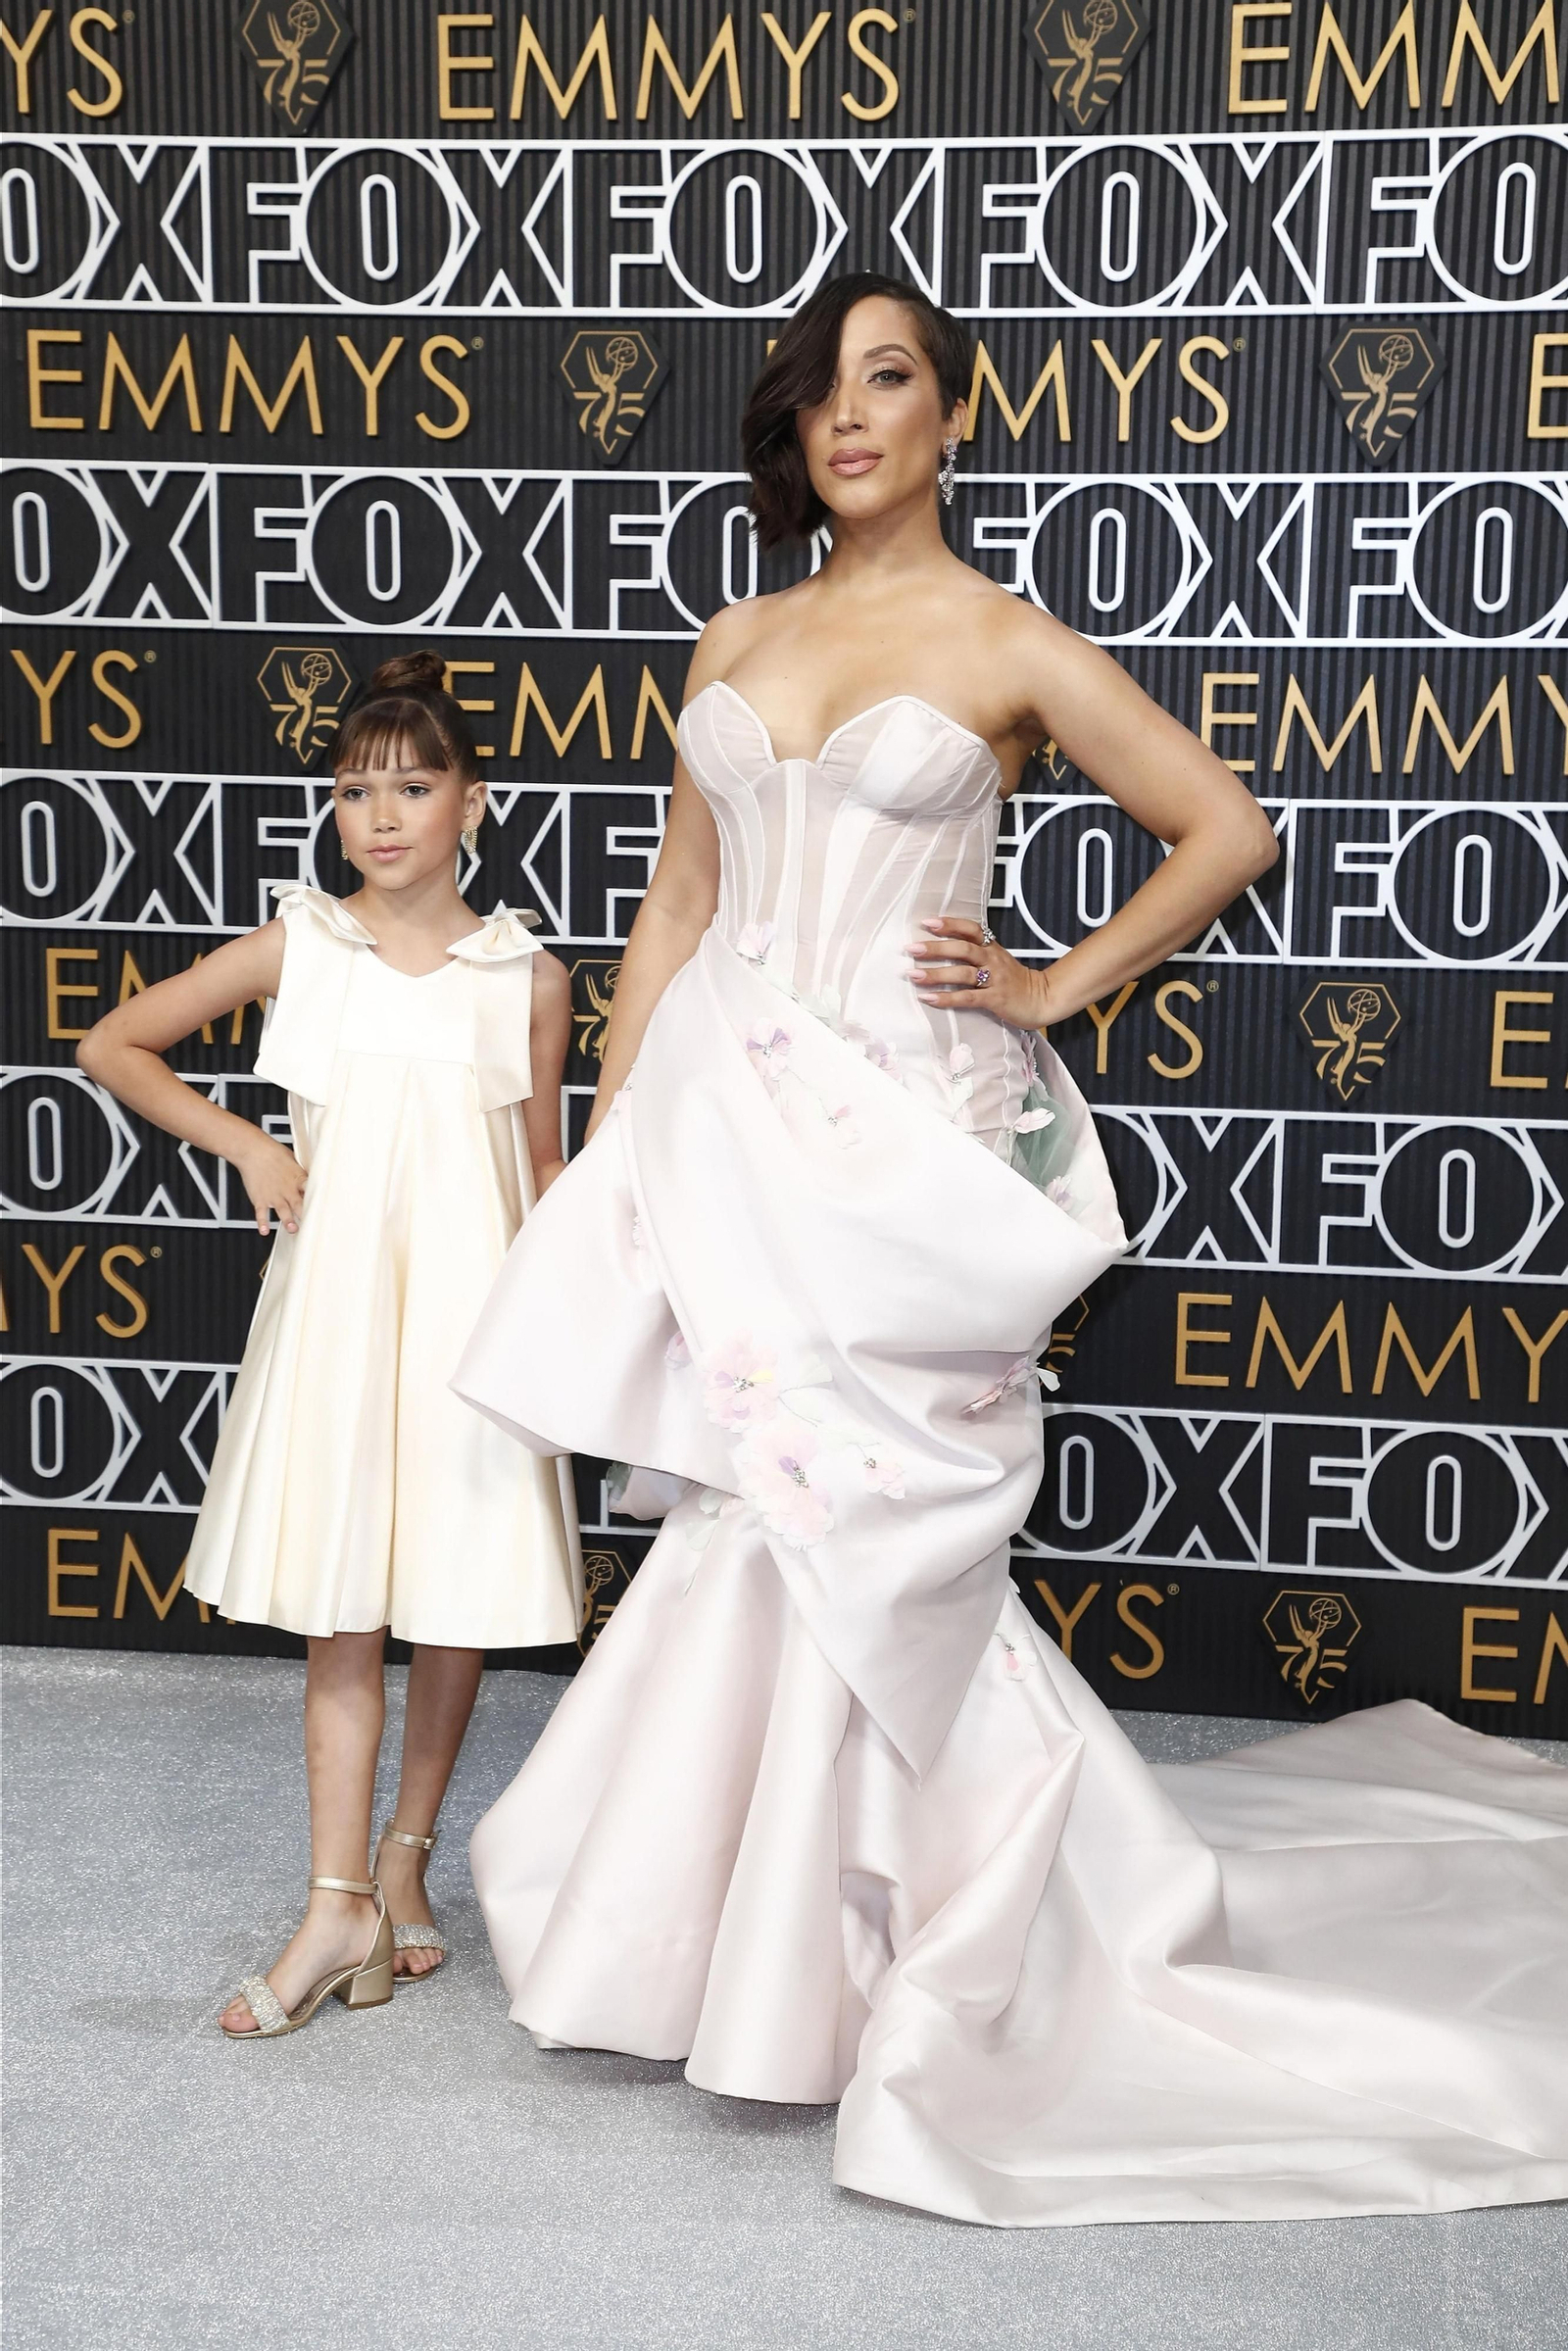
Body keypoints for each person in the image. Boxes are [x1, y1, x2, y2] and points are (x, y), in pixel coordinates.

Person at [452, 276, 1568, 2224]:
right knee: (754, 1516)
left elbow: (1221, 826)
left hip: (900, 1143)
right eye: (816, 392)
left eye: (885, 382)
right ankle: (725, 1947)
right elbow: (670, 914)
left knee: (877, 1530)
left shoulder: (1005, 641)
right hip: (725, 1125)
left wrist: (1053, 983)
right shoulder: (736, 630)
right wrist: (603, 1147)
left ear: (954, 414)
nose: (846, 419)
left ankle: (898, 1941)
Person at [77, 652, 583, 2039]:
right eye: (356, 788)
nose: (383, 814)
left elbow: (543, 1171)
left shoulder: (528, 979)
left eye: (414, 785)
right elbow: (117, 1044)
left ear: (471, 800)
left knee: (458, 1592)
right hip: (342, 1316)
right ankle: (332, 1900)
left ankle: (403, 1861)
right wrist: (246, 1143)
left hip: (473, 1320)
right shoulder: (299, 945)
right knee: (343, 1612)